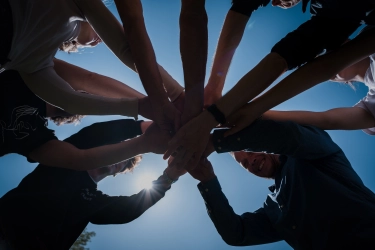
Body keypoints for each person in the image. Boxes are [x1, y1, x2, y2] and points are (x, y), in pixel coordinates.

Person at [165, 0, 375, 169]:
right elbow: (325, 119)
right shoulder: (369, 106)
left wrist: (218, 111)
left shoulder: (355, 28)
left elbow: (322, 65)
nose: (274, 4)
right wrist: (239, 112)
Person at [189, 118, 375, 249]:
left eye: (250, 151)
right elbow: (236, 233)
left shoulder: (309, 152)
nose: (251, 161)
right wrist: (208, 181)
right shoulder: (273, 209)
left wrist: (219, 141)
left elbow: (289, 136)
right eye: (244, 163)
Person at [0, 119, 184, 249]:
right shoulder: (66, 157)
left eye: (124, 163)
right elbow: (94, 133)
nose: (120, 161)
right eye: (121, 154)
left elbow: (129, 208)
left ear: (117, 173)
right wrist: (143, 127)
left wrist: (169, 177)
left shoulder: (92, 200)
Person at [0, 0, 181, 131]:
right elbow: (127, 49)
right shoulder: (73, 4)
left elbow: (70, 101)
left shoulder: (37, 61)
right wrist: (176, 93)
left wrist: (139, 108)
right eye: (100, 34)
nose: (99, 39)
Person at [0, 69, 179, 169]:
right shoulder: (30, 73)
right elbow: (88, 79)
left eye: (89, 102)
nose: (85, 98)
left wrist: (144, 144)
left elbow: (80, 159)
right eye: (82, 96)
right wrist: (150, 106)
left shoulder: (37, 137)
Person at [223, 27, 375, 136]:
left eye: (329, 54)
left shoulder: (369, 37)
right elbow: (327, 120)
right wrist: (251, 114)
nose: (327, 63)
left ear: (347, 41)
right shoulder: (369, 107)